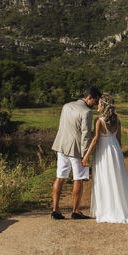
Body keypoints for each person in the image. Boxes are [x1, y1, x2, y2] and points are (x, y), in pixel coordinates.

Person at [82, 94, 128, 224]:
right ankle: (118, 208)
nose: (97, 106)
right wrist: (119, 154)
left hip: (103, 151)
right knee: (116, 178)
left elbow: (95, 140)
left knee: (104, 178)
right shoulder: (117, 120)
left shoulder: (99, 121)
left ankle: (106, 210)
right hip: (115, 150)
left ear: (104, 106)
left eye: (99, 104)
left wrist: (86, 156)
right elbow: (119, 139)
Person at [51, 86, 101, 220]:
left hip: (61, 145)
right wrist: (85, 155)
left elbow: (62, 125)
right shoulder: (86, 112)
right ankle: (76, 211)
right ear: (89, 97)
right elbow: (85, 135)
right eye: (95, 101)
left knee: (60, 177)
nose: (95, 105)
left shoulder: (66, 106)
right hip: (76, 150)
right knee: (78, 179)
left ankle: (55, 210)